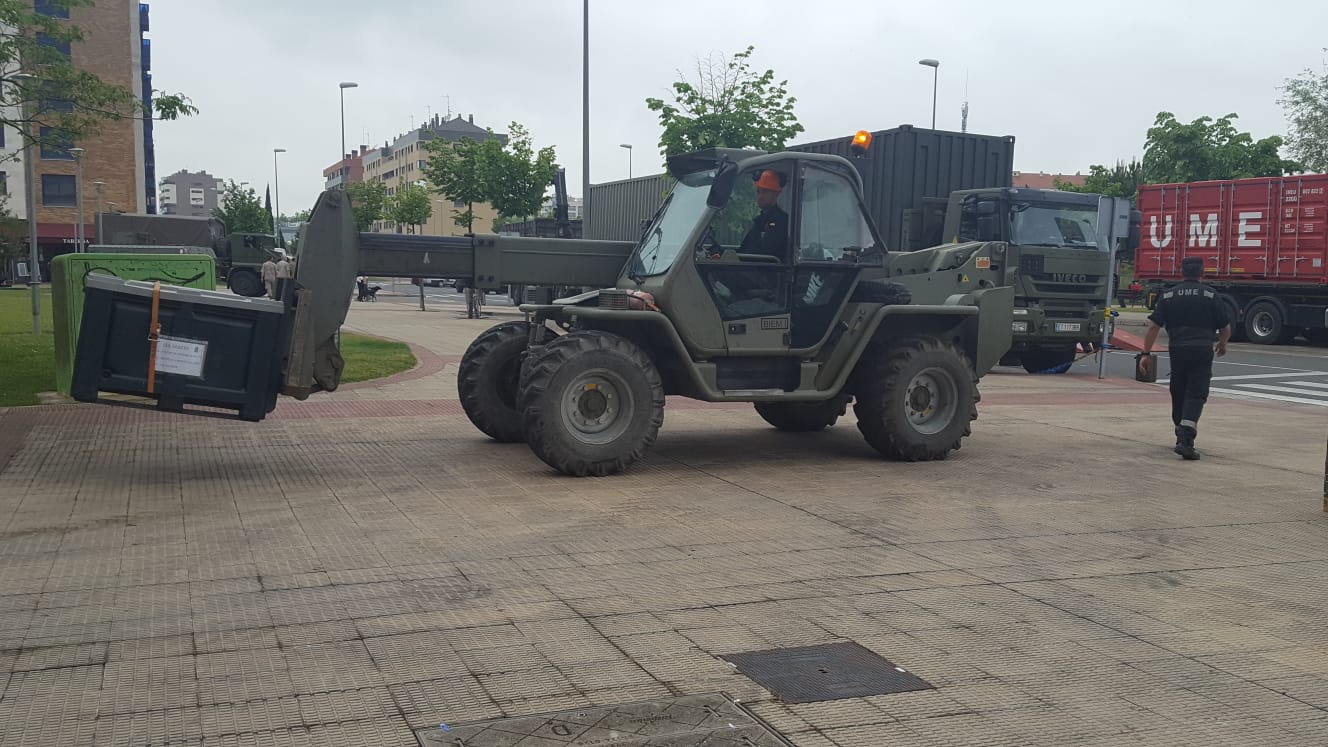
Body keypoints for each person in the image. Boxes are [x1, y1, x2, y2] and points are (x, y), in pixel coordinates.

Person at [1139, 257, 1231, 460]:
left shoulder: (1169, 295)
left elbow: (1153, 326)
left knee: (1178, 389)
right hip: (1201, 349)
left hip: (1177, 349)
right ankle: (1186, 439)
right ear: (1202, 273)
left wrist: (1145, 353)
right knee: (1197, 393)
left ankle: (1179, 429)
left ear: (1181, 272)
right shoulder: (1210, 295)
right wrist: (1222, 344)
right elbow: (1225, 327)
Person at [739, 169, 788, 258]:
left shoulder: (781, 221)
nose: (760, 196)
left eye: (765, 192)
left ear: (776, 194)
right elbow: (745, 249)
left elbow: (765, 252)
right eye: (758, 192)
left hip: (765, 270)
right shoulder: (760, 221)